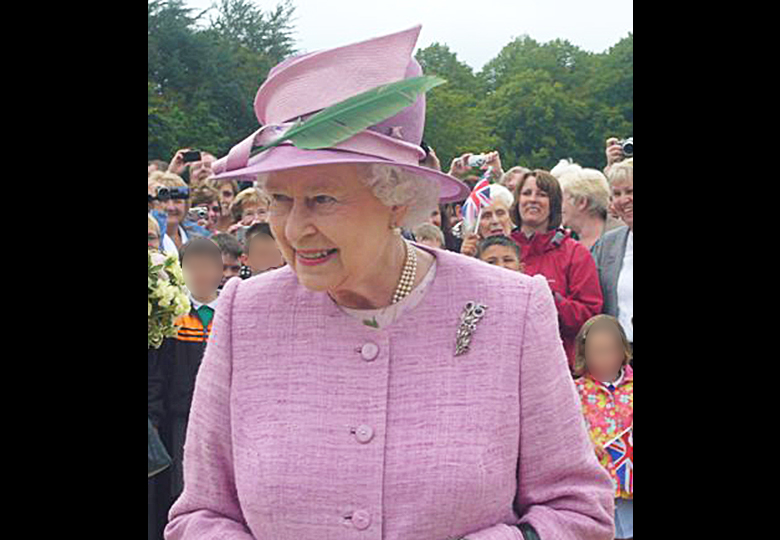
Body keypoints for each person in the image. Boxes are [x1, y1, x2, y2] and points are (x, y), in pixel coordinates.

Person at [165, 25, 613, 540]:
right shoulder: (245, 312)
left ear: (398, 198)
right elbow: (200, 515)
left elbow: (577, 511)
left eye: (322, 199)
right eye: (280, 199)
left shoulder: (510, 308)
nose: (292, 229)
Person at [149, 237, 223, 540]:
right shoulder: (173, 315)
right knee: (178, 489)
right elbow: (158, 373)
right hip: (178, 418)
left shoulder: (230, 313)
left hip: (220, 420)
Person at [509, 169, 603, 368]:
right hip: (509, 363)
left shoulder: (575, 253)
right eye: (526, 193)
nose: (533, 200)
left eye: (542, 195)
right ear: (517, 201)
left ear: (554, 204)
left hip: (559, 365)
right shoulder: (501, 250)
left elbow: (590, 317)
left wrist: (549, 299)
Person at [573, 315, 633, 540]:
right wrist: (585, 443)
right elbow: (566, 433)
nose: (605, 358)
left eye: (610, 350)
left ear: (622, 352)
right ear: (584, 355)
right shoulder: (574, 391)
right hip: (595, 489)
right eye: (597, 351)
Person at [592, 159, 633, 359]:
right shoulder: (608, 243)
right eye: (617, 194)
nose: (624, 200)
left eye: (630, 191)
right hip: (621, 356)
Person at [558, 167, 622, 252]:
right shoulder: (562, 240)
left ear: (582, 202)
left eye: (560, 200)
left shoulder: (622, 238)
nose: (556, 206)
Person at [148, 171, 212, 258]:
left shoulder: (199, 234)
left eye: (177, 201)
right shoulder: (152, 237)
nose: (171, 207)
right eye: (164, 201)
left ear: (186, 204)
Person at [460, 183, 515, 257]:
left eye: (500, 213)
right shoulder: (470, 255)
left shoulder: (523, 250)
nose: (495, 221)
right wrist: (466, 258)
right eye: (486, 216)